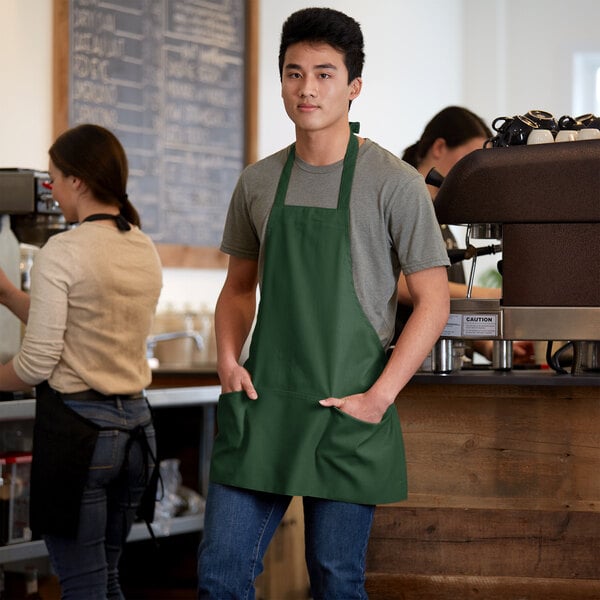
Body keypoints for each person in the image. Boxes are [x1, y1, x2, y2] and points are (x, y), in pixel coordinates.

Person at [197, 8, 450, 599]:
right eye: (293, 72)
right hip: (263, 406)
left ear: (353, 87)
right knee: (219, 577)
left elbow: (433, 302)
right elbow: (238, 289)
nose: (306, 87)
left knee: (336, 583)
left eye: (324, 73)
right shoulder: (257, 183)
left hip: (347, 410)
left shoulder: (395, 184)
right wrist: (228, 360)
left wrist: (378, 397)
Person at [0, 124, 163, 599]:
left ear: (79, 181)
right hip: (135, 434)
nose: (49, 190)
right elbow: (81, 323)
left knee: (82, 586)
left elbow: (36, 363)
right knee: (106, 579)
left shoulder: (64, 250)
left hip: (81, 439)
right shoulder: (141, 246)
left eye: (53, 179)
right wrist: (11, 295)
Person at [399, 105, 534, 363]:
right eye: (471, 159)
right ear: (439, 148)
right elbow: (400, 286)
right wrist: (499, 295)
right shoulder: (401, 203)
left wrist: (486, 347)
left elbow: (444, 312)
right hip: (406, 365)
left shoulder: (441, 219)